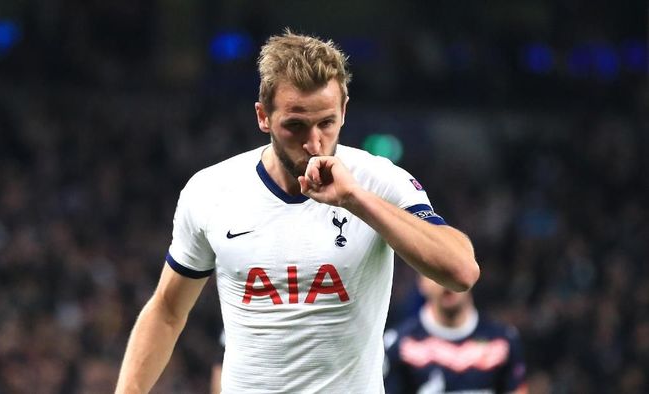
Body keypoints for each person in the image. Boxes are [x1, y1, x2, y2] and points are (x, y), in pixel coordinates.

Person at [115, 29, 480, 393]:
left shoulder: (378, 182)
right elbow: (167, 311)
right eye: (295, 125)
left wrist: (356, 200)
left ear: (344, 112)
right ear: (263, 117)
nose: (314, 143)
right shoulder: (211, 191)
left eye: (327, 122)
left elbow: (461, 270)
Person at [384, 275, 527, 394]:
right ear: (421, 282)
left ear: (472, 275)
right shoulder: (398, 344)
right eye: (435, 271)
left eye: (454, 271)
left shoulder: (503, 340)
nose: (446, 282)